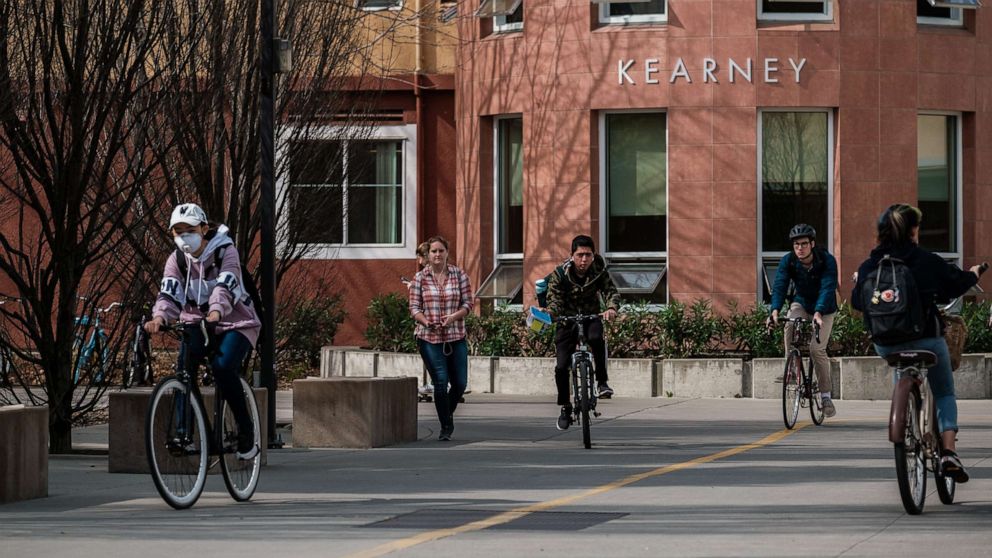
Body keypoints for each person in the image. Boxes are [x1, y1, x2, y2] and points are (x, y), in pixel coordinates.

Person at [852, 204, 982, 482]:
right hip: (927, 342)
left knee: (900, 361)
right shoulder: (925, 259)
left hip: (885, 344)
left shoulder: (869, 265)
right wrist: (973, 273)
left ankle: (909, 414)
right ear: (913, 230)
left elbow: (856, 301)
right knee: (945, 391)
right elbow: (955, 284)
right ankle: (948, 452)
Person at [145, 203, 262, 460]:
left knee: (223, 368)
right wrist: (159, 316)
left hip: (236, 322)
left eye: (189, 230)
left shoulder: (225, 251)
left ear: (204, 228)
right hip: (196, 321)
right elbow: (169, 292)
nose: (184, 236)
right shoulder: (176, 260)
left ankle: (246, 430)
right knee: (185, 369)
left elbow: (226, 284)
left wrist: (217, 310)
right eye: (178, 231)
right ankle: (185, 433)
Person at [546, 235, 620, 430]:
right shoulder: (560, 274)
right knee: (561, 367)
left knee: (596, 338)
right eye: (580, 255)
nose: (584, 260)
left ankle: (602, 382)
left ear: (593, 256)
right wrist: (552, 313)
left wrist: (611, 308)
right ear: (572, 256)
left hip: (591, 316)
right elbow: (554, 299)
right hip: (566, 319)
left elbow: (610, 291)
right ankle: (565, 406)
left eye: (588, 255)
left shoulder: (599, 271)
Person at [767, 224, 840, 418]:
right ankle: (791, 369)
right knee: (790, 323)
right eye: (796, 244)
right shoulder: (789, 261)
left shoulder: (827, 260)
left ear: (812, 244)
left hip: (825, 308)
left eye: (804, 244)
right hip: (801, 303)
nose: (800, 248)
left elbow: (827, 286)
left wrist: (818, 312)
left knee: (817, 350)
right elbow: (780, 285)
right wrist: (774, 310)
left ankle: (825, 397)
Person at [408, 236, 473, 441]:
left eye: (441, 251)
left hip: (455, 335)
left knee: (460, 383)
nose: (437, 255)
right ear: (428, 254)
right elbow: (414, 308)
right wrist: (426, 322)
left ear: (447, 253)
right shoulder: (420, 278)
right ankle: (446, 426)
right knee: (440, 381)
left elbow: (468, 304)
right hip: (429, 337)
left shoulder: (459, 274)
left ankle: (446, 413)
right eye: (434, 251)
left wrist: (454, 317)